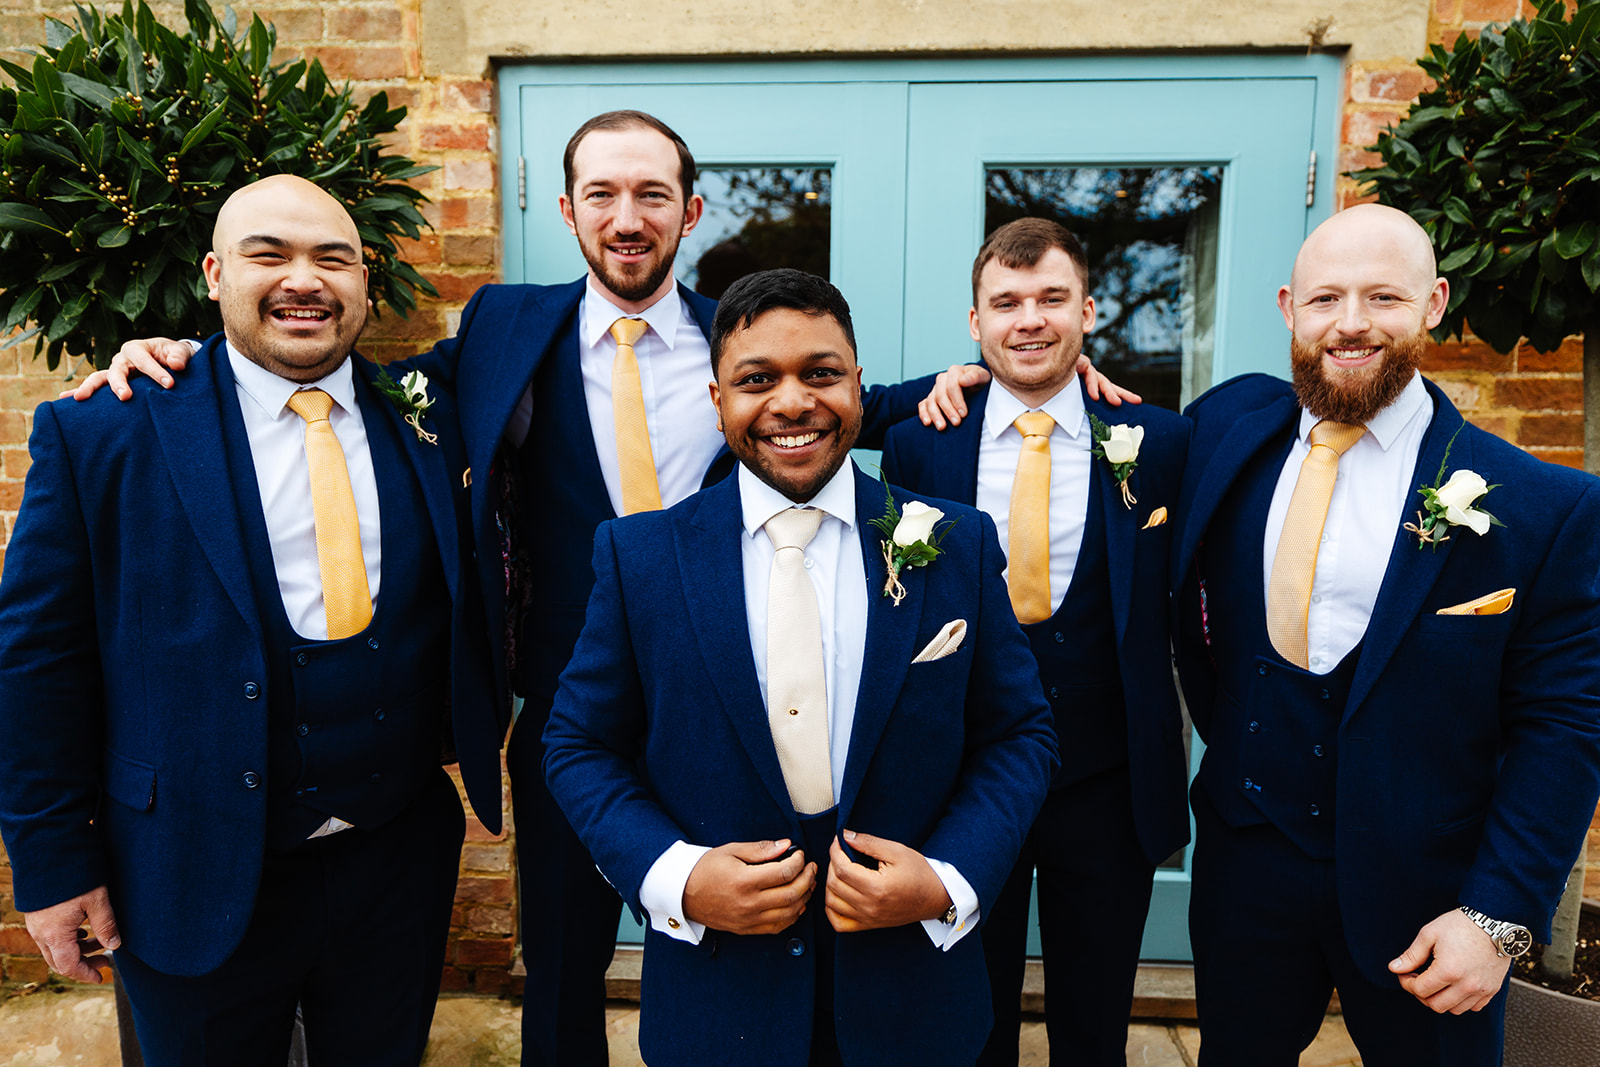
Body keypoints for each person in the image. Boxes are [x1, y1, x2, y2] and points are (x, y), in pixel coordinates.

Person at [71, 111, 1120, 1065]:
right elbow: (352, 387)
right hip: (575, 706)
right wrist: (183, 357)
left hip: (743, 707)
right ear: (568, 210)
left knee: (763, 962)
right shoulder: (502, 330)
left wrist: (1020, 374)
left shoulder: (746, 340)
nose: (628, 217)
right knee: (563, 967)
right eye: (604, 195)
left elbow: (825, 404)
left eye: (653, 194)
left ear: (690, 211)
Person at [0, 175, 503, 1064]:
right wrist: (50, 864)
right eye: (269, 254)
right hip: (184, 867)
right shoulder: (106, 430)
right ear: (213, 274)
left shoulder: (432, 413)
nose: (303, 279)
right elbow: (37, 661)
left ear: (364, 280)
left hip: (395, 863)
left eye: (332, 258)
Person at [542, 267, 1058, 1066]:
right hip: (719, 999)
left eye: (821, 373)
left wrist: (946, 880)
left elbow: (1019, 734)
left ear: (857, 386)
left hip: (913, 994)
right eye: (757, 379)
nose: (792, 402)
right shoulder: (641, 557)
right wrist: (677, 877)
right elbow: (577, 745)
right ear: (717, 401)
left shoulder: (955, 544)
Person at [1170, 202, 1600, 1064]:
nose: (1352, 323)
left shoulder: (1542, 508)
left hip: (1432, 894)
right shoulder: (1226, 429)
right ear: (1290, 308)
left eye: (1384, 298)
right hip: (1245, 860)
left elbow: (1568, 726)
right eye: (1327, 299)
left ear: (1434, 303)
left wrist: (1496, 916)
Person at [880, 218, 1190, 1066]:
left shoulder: (1156, 442)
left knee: (1095, 1015)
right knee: (971, 1006)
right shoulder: (920, 439)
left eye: (1052, 298)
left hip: (1109, 776)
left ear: (1087, 311)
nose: (1030, 320)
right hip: (967, 771)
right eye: (1006, 303)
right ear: (974, 323)